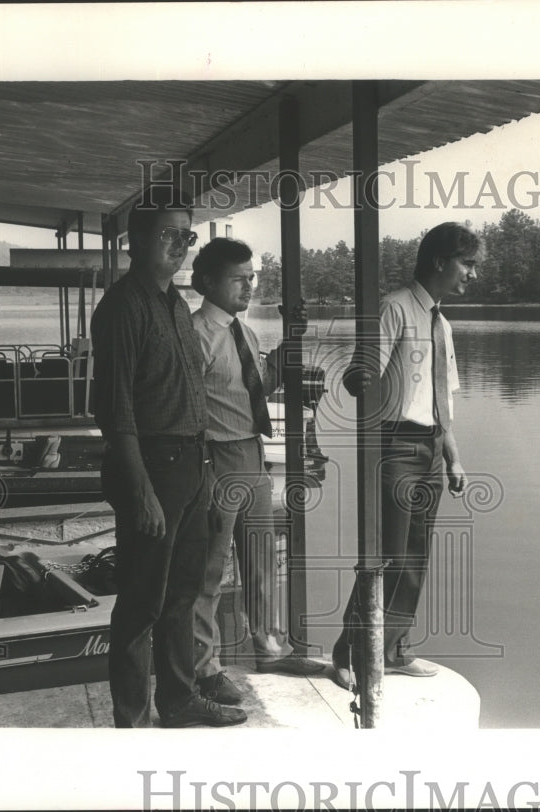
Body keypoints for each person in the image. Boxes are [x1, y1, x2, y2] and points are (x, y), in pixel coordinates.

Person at [91, 188, 246, 728]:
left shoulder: (176, 305)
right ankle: (130, 721)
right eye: (170, 234)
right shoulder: (122, 307)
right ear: (137, 241)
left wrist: (201, 475)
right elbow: (116, 411)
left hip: (191, 465)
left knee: (183, 594)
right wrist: (140, 491)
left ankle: (179, 701)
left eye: (188, 235)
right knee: (140, 604)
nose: (181, 244)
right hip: (151, 467)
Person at [331, 222, 479, 690]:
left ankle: (393, 649)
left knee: (416, 556)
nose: (471, 275)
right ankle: (349, 655)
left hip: (431, 446)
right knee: (388, 554)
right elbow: (361, 375)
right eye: (467, 264)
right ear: (439, 260)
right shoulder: (394, 308)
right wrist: (363, 374)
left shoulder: (442, 321)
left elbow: (442, 401)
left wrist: (452, 457)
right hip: (394, 445)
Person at [188, 237, 324, 706]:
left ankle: (270, 647)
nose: (249, 286)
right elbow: (186, 410)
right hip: (216, 460)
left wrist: (290, 345)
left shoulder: (244, 333)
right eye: (238, 278)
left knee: (263, 563)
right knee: (207, 574)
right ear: (208, 282)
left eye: (252, 278)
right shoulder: (195, 334)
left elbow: (258, 386)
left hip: (252, 456)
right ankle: (204, 670)